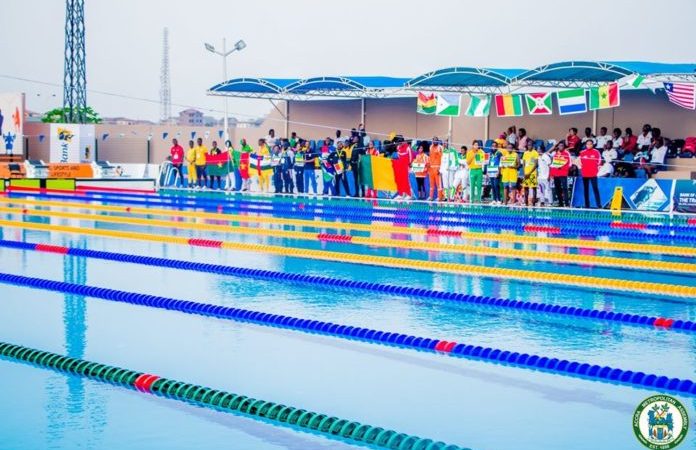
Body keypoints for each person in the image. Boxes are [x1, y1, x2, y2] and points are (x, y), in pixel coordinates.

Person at [579, 140, 602, 208]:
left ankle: (599, 205)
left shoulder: (596, 152)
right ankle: (587, 205)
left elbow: (599, 161)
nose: (589, 145)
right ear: (586, 145)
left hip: (593, 174)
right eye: (587, 144)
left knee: (595, 188)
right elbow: (580, 163)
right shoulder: (582, 153)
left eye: (590, 144)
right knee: (586, 189)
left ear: (592, 145)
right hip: (585, 174)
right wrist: (582, 170)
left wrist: (596, 170)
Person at [549, 141, 571, 207]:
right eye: (559, 146)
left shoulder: (567, 153)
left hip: (563, 174)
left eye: (562, 145)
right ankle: (560, 203)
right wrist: (551, 174)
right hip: (556, 174)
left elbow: (569, 164)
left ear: (564, 146)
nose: (560, 147)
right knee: (557, 189)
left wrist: (561, 167)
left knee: (564, 188)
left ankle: (567, 203)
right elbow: (553, 164)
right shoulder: (556, 154)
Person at [521, 140, 539, 206]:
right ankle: (526, 203)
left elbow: (536, 164)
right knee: (526, 188)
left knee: (533, 188)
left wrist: (529, 173)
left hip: (532, 173)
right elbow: (523, 164)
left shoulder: (535, 153)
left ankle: (534, 203)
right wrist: (524, 172)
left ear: (533, 146)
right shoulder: (525, 153)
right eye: (528, 145)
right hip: (526, 173)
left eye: (530, 145)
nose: (529, 146)